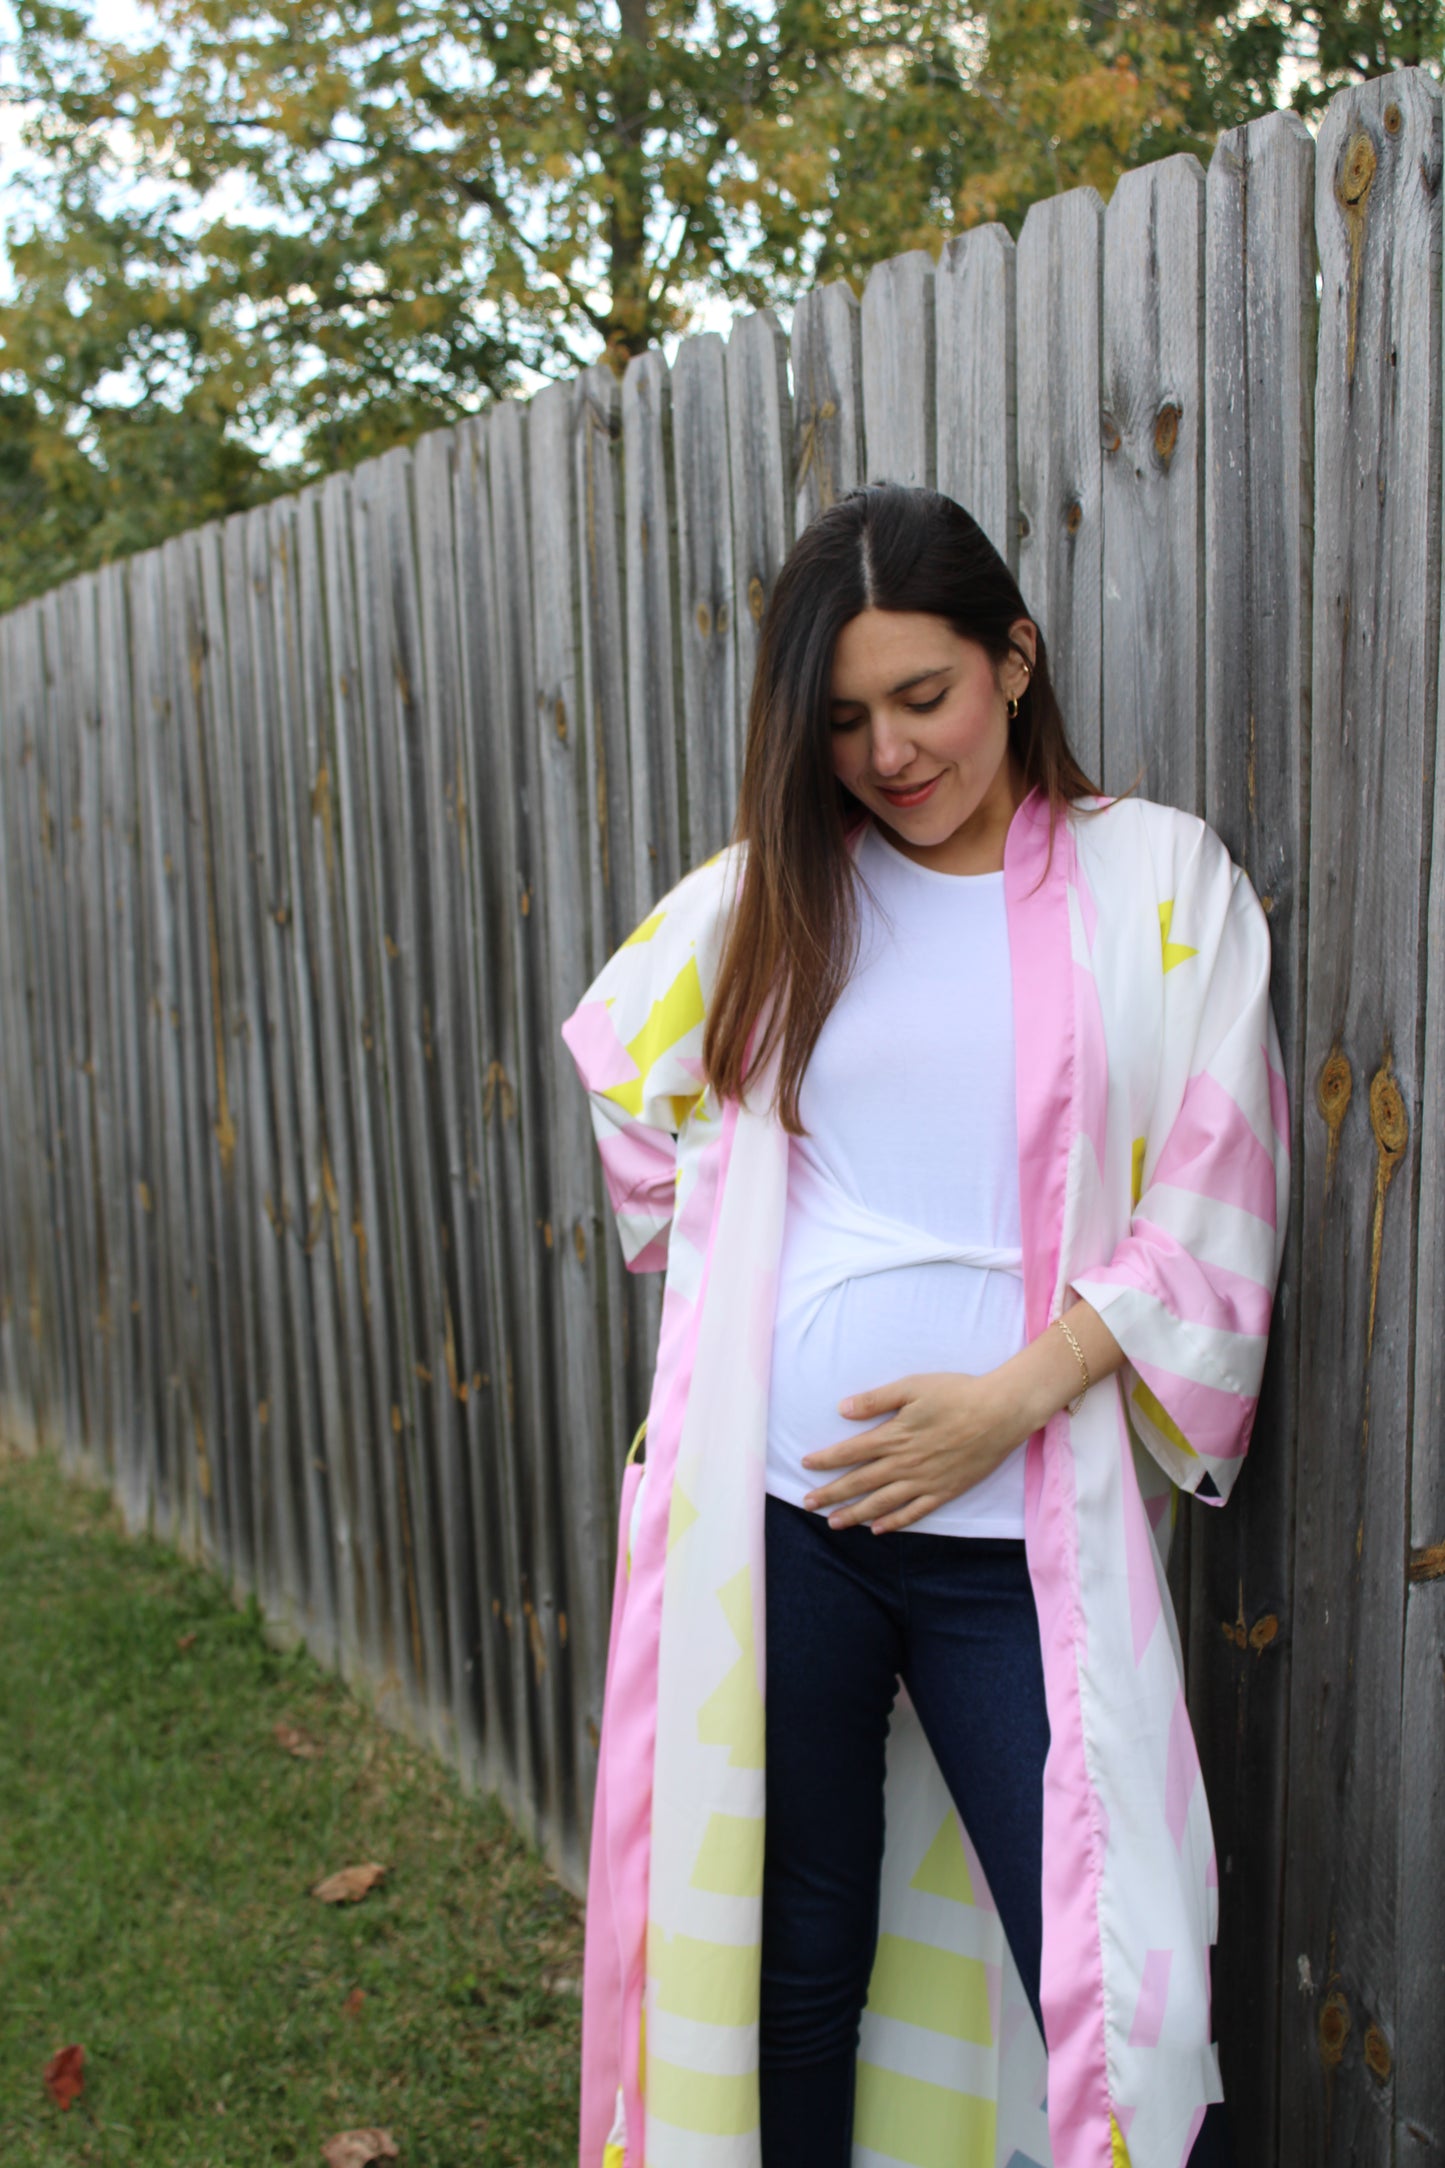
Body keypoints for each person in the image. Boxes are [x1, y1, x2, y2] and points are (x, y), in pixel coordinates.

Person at [560, 483, 1290, 2168]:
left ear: (1012, 661)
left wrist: (1006, 1401)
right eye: (840, 718)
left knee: (1103, 1972)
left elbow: (1212, 1191)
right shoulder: (772, 899)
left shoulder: (1154, 881)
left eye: (922, 695)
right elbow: (627, 1078)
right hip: (780, 1523)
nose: (889, 753)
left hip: (1007, 1530)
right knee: (796, 1954)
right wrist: (764, 1287)